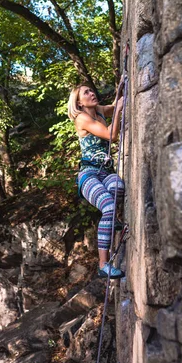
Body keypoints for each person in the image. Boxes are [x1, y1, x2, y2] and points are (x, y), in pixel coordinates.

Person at [68, 83, 125, 279]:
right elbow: (112, 135)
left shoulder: (98, 111)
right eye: (86, 93)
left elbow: (114, 106)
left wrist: (123, 87)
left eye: (91, 90)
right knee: (108, 205)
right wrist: (117, 110)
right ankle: (103, 264)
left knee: (118, 187)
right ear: (79, 103)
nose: (92, 93)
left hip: (105, 172)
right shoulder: (82, 118)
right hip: (89, 174)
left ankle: (112, 221)